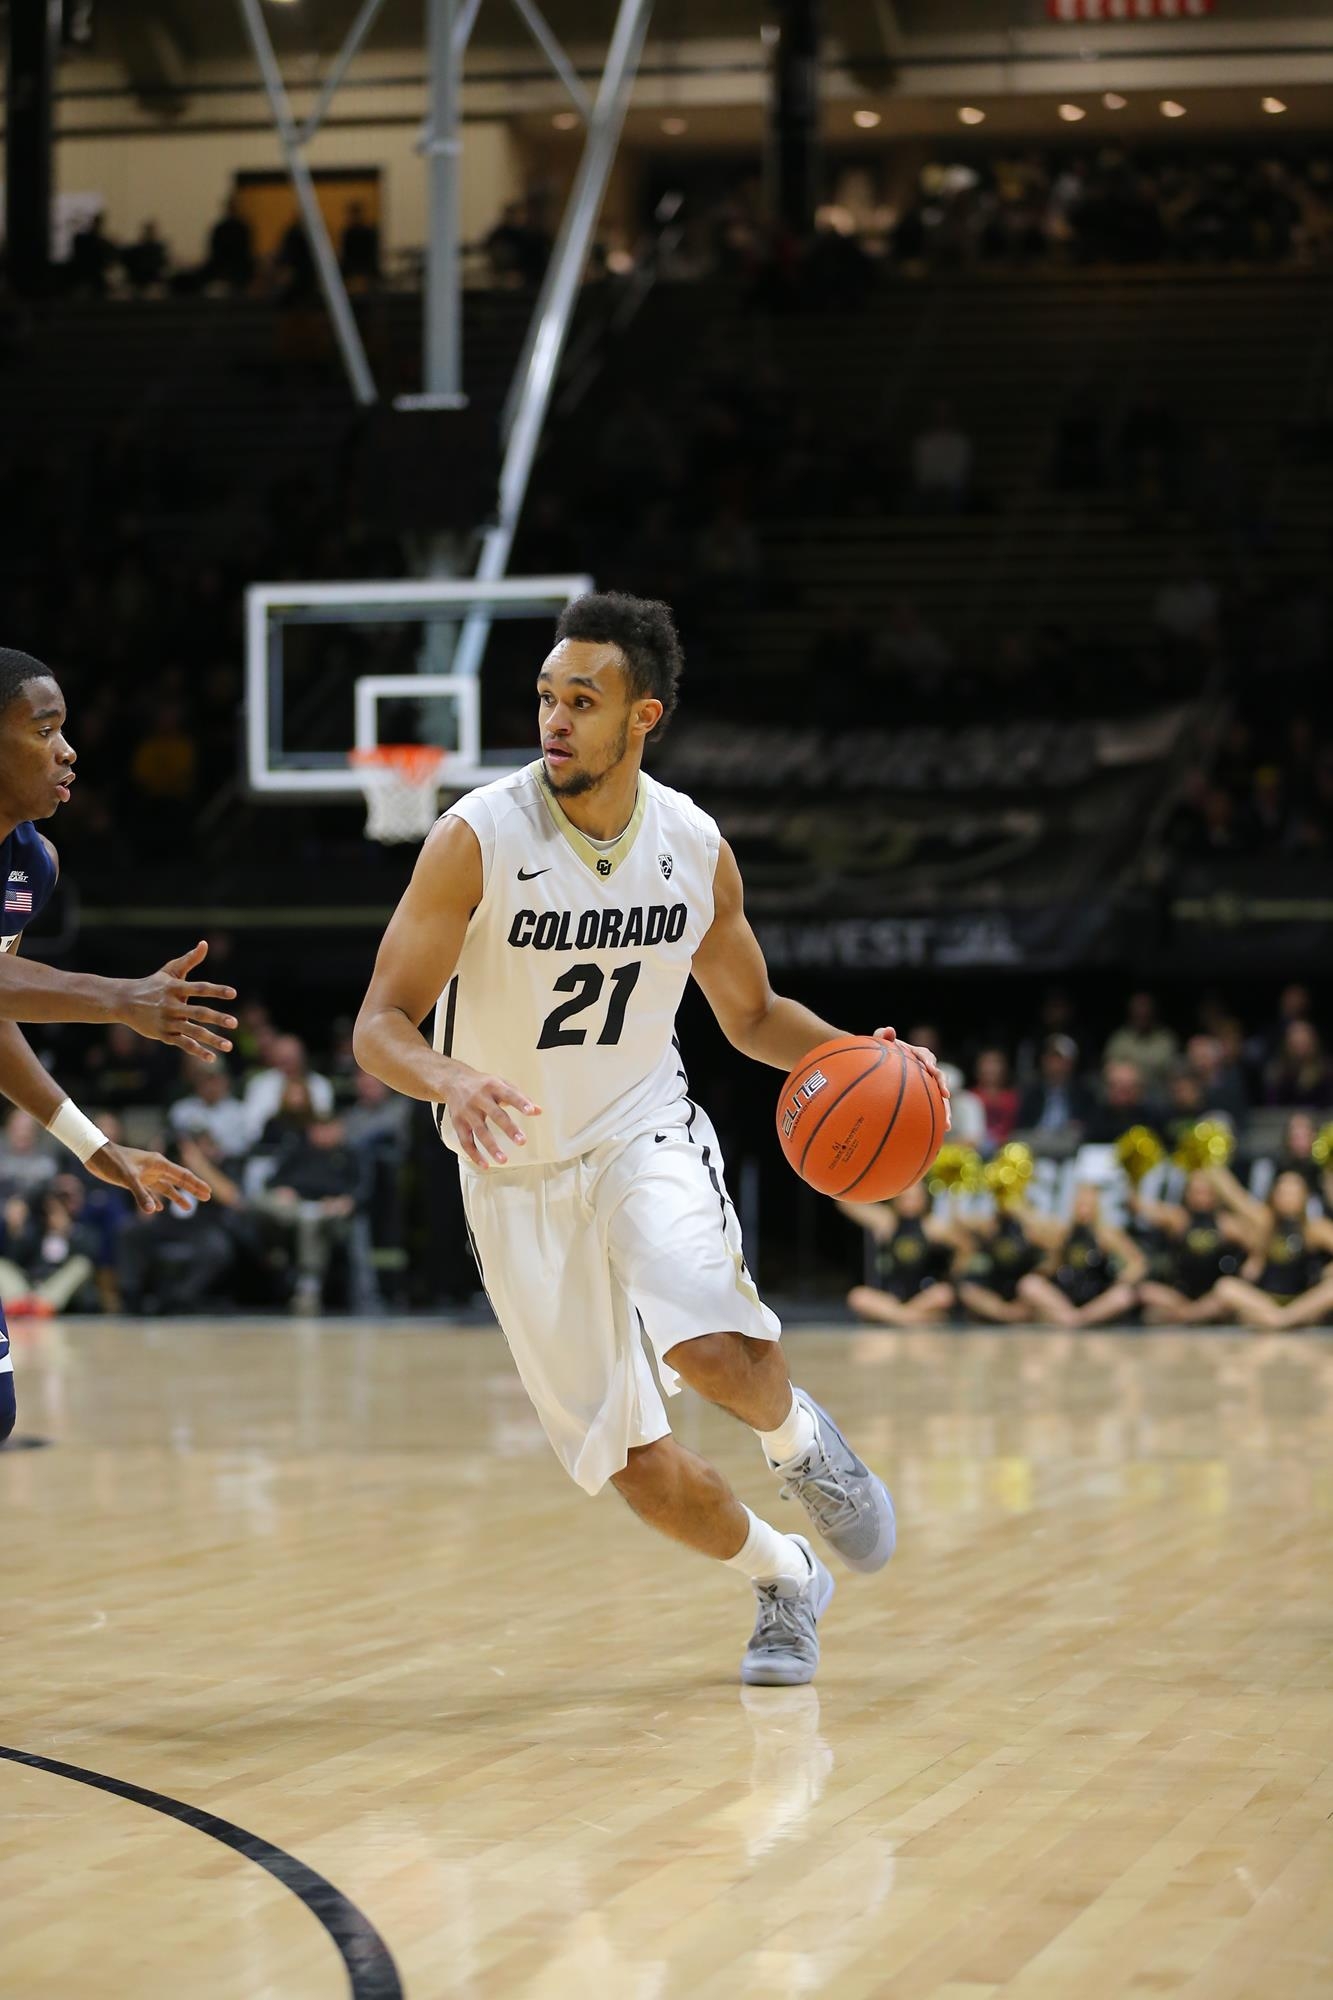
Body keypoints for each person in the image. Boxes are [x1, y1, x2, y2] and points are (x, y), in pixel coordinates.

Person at [354, 591, 949, 1688]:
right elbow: (379, 1023)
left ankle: (801, 1445)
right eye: (544, 696)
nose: (555, 719)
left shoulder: (690, 846)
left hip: (642, 1128)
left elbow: (754, 1015)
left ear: (644, 716)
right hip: (511, 1170)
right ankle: (783, 1578)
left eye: (582, 699)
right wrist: (445, 1074)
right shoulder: (474, 839)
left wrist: (860, 1059)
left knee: (706, 1346)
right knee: (631, 1468)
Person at [0, 646, 236, 1441]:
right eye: (45, 730)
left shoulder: (31, 861)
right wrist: (118, 999)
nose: (68, 751)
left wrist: (95, 1148)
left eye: (65, 729)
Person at [1206, 1166, 1333, 1332]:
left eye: (1294, 1193)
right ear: (1273, 1195)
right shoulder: (1265, 1222)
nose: (1288, 1198)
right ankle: (1283, 1319)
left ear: (1305, 1196)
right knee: (1226, 1287)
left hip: (1302, 1300)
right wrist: (1209, 1162)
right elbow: (1234, 1196)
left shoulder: (1314, 1228)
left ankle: (1281, 1320)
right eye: (1283, 1192)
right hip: (1266, 1299)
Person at [1016, 1185, 1147, 1328]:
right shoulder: (1064, 1232)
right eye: (1080, 1205)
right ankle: (1073, 1318)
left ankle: (1078, 1319)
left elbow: (1137, 1262)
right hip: (1066, 1295)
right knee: (1029, 1284)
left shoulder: (1105, 1234)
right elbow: (1037, 1234)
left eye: (1088, 1205)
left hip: (1096, 1297)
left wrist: (1125, 1277)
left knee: (1123, 1296)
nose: (1084, 1210)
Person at [838, 1181, 964, 1327]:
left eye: (916, 1197)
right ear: (895, 1197)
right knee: (858, 1296)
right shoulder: (886, 1221)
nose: (910, 1202)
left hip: (923, 1296)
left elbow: (964, 1245)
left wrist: (953, 1272)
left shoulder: (932, 1226)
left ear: (925, 1198)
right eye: (906, 1196)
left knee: (944, 1293)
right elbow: (845, 1203)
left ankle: (895, 1317)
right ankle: (914, 1318)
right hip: (891, 1297)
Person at [1132, 1172, 1248, 1325]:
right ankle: (1197, 1314)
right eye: (1195, 1192)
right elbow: (1141, 1207)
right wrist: (1134, 1175)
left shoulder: (1226, 1224)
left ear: (1215, 1195)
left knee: (1226, 1295)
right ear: (1186, 1194)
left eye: (1205, 1192)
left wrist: (1255, 1261)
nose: (1200, 1197)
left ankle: (1186, 1316)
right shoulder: (1178, 1219)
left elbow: (1258, 1241)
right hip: (1181, 1295)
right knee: (1146, 1293)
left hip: (1213, 1294)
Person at [956, 1205, 1044, 1324]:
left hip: (1021, 1288)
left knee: (1031, 1286)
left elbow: (1050, 1238)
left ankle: (1010, 1315)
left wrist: (1020, 1212)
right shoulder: (988, 1223)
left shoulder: (1028, 1223)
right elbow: (959, 1224)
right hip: (992, 1289)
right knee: (967, 1289)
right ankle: (1008, 1316)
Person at [1103, 992, 1178, 1095]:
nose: (1142, 1014)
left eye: (1146, 1011)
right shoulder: (1120, 1038)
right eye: (1138, 1011)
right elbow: (1111, 1068)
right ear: (1131, 1013)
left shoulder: (1166, 1039)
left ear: (1153, 1013)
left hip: (1160, 1091)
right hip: (1127, 1091)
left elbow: (1172, 1070)